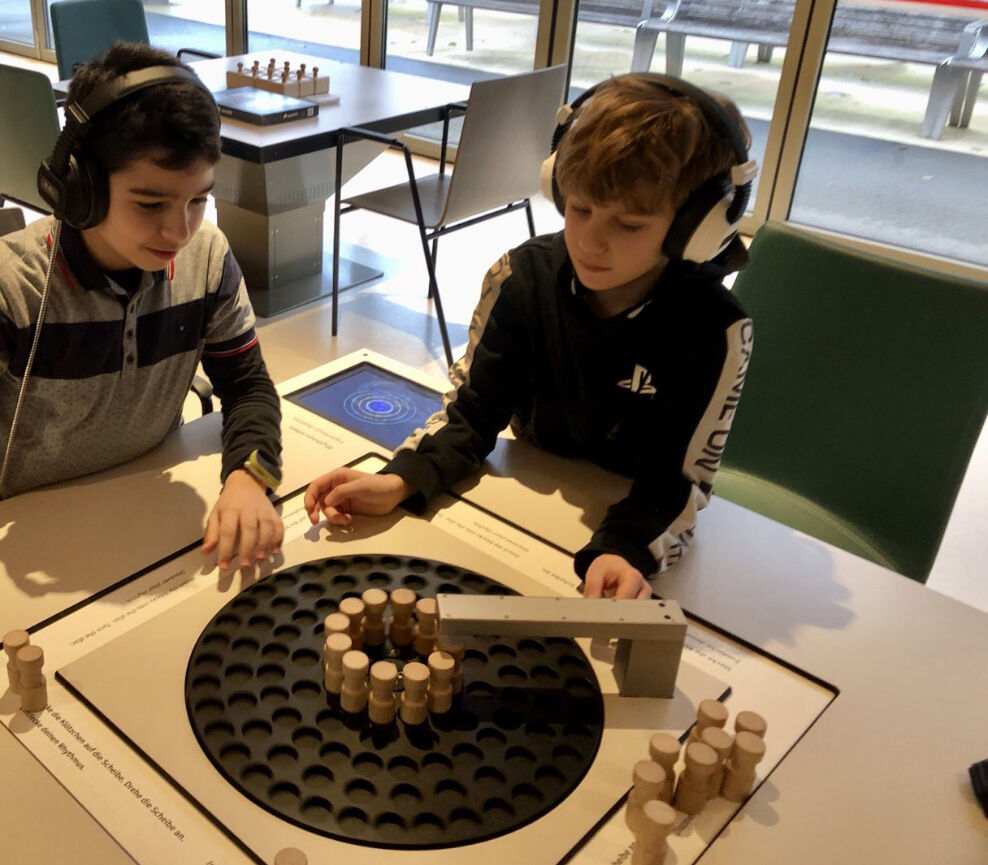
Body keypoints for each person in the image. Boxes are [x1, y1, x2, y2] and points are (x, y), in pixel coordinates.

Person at [0, 43, 283, 663]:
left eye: (198, 200)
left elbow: (248, 386)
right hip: (13, 533)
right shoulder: (3, 291)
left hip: (140, 507)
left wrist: (248, 476)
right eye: (150, 203)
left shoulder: (208, 258)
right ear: (78, 187)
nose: (179, 231)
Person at [305, 73, 757, 600]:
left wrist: (626, 548)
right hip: (529, 490)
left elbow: (676, 481)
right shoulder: (521, 278)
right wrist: (404, 477)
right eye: (580, 209)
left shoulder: (714, 331)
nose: (590, 241)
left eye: (629, 225)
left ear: (696, 228)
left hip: (631, 512)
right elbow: (472, 413)